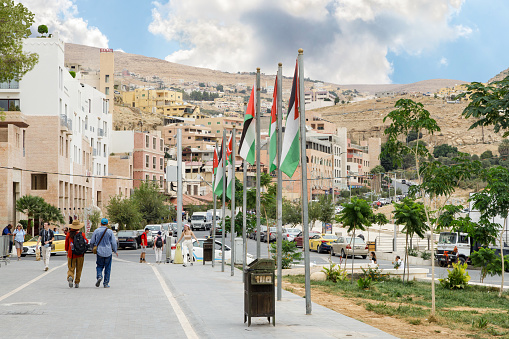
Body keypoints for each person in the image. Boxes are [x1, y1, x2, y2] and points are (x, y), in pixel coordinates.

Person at [89, 218, 118, 288]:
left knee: (99, 265)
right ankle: (106, 283)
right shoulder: (110, 232)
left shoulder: (96, 231)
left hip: (99, 251)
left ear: (100, 223)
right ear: (107, 224)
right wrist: (115, 250)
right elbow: (113, 242)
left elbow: (92, 241)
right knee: (108, 268)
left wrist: (92, 248)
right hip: (108, 252)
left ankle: (99, 276)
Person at [65, 220, 88, 288]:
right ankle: (77, 282)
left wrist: (67, 251)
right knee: (79, 269)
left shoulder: (69, 234)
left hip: (71, 254)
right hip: (80, 254)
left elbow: (66, 245)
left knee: (71, 268)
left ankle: (70, 277)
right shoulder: (82, 234)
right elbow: (86, 241)